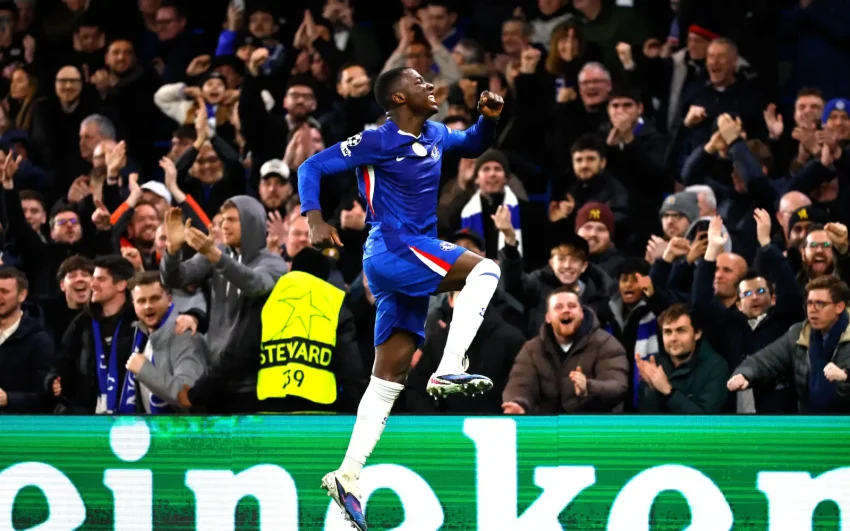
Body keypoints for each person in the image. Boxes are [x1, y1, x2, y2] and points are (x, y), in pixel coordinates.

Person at [297, 65, 504, 529]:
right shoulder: (376, 140)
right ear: (397, 98)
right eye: (418, 82)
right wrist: (314, 218)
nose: (429, 86)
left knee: (388, 377)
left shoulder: (435, 134)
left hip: (406, 256)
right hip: (392, 248)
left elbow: (472, 143)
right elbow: (311, 166)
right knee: (486, 270)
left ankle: (347, 474)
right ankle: (450, 366)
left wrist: (488, 120)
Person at [728, 275, 850, 413]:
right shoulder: (799, 334)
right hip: (810, 420)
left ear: (839, 307)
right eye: (809, 303)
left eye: (820, 303)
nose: (812, 309)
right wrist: (743, 374)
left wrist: (846, 376)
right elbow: (766, 360)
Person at [125, 272, 208, 413]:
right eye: (141, 301)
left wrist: (145, 371)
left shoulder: (185, 336)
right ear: (134, 304)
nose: (147, 306)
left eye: (155, 299)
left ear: (169, 300)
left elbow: (189, 396)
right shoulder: (139, 338)